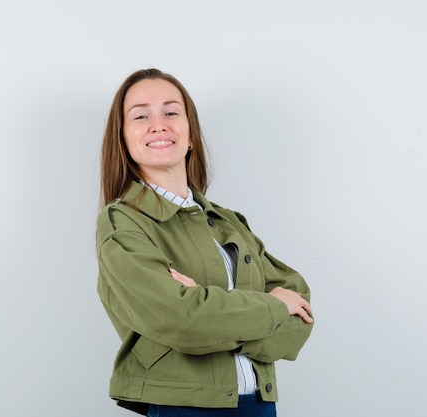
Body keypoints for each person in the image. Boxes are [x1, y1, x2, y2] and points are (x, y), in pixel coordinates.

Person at [96, 68, 314, 417]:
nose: (159, 124)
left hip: (259, 404)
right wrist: (271, 307)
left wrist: (210, 311)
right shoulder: (123, 221)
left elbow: (299, 307)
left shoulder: (228, 221)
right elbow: (182, 320)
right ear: (122, 138)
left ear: (191, 133)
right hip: (183, 407)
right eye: (141, 115)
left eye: (171, 112)